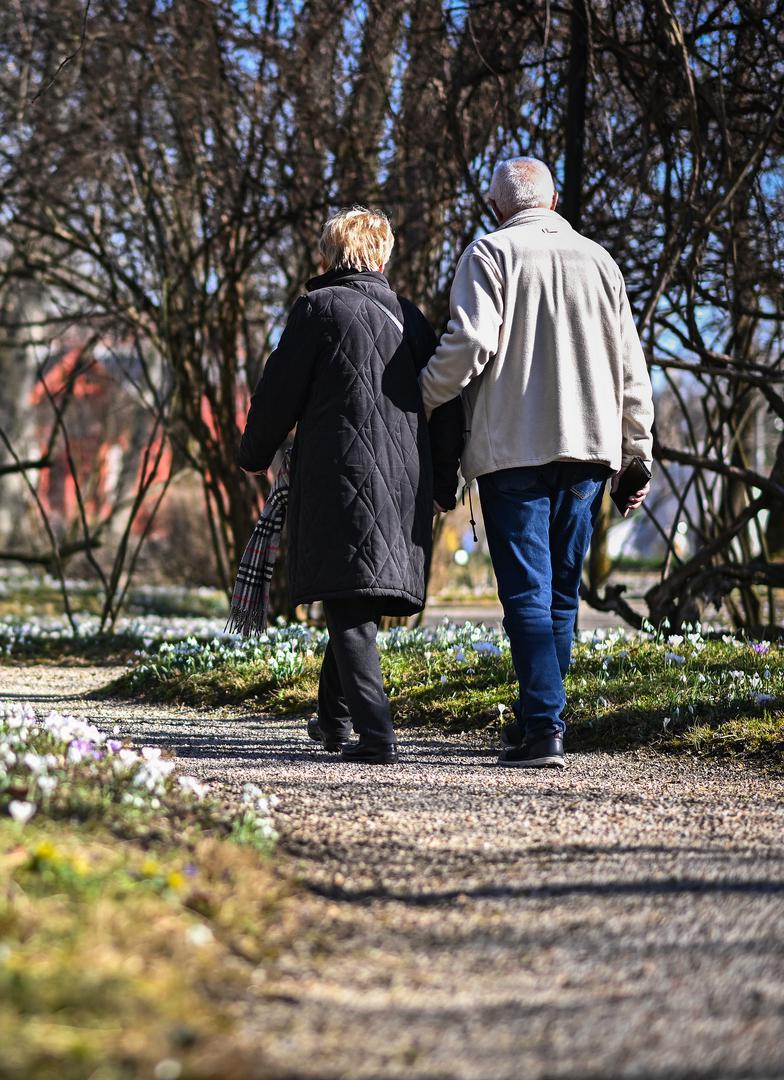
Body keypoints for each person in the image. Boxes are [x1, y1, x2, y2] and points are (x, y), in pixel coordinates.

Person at [420, 157, 655, 769]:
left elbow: (472, 342)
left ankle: (544, 727)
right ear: (552, 202)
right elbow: (631, 369)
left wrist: (422, 395)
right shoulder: (600, 261)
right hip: (589, 450)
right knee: (561, 595)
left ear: (497, 206)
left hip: (512, 450)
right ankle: (536, 721)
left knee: (527, 592)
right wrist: (637, 453)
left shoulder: (490, 253)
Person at [239, 207, 463, 765]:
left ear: (329, 255)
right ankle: (335, 719)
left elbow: (277, 391)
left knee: (348, 601)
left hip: (339, 475)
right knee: (356, 593)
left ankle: (377, 734)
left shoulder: (317, 310)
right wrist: (443, 482)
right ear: (381, 257)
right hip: (405, 480)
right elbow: (448, 405)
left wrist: (254, 454)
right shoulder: (411, 319)